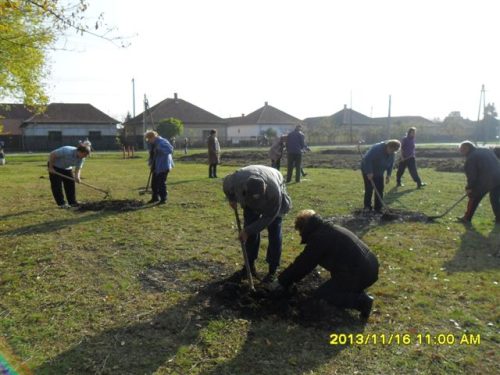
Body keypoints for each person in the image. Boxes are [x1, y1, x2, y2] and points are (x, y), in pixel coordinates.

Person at [267, 210, 378, 320]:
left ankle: (362, 302)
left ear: (304, 228)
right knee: (333, 287)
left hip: (360, 273)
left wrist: (281, 281)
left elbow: (303, 264)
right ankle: (354, 290)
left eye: (300, 231)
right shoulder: (327, 228)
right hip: (369, 266)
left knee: (322, 296)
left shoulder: (320, 238)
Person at [223, 165, 292, 282]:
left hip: (274, 183)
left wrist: (247, 231)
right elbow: (225, 185)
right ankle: (249, 265)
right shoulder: (235, 181)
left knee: (275, 229)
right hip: (247, 195)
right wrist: (231, 199)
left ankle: (272, 269)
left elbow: (269, 216)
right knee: (250, 225)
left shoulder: (274, 193)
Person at [457, 140, 500, 223]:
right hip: (498, 177)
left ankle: (467, 218)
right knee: (495, 199)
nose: (461, 152)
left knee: (474, 197)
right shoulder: (485, 150)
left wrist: (469, 187)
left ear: (467, 148)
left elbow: (472, 175)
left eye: (462, 150)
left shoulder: (471, 158)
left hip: (486, 180)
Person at [361, 139, 401, 212]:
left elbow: (391, 164)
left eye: (394, 152)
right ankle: (367, 207)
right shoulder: (377, 148)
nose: (392, 153)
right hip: (368, 169)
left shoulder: (392, 154)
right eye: (391, 151)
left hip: (379, 172)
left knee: (380, 188)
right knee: (369, 188)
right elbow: (367, 159)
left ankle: (378, 207)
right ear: (388, 146)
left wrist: (388, 175)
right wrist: (369, 172)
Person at [145, 130, 174, 205]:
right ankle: (155, 198)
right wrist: (151, 164)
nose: (148, 141)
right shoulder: (154, 143)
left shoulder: (162, 142)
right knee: (154, 183)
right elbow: (152, 154)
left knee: (161, 183)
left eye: (149, 139)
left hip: (163, 165)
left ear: (153, 137)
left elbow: (170, 150)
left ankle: (163, 198)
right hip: (156, 165)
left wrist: (159, 148)